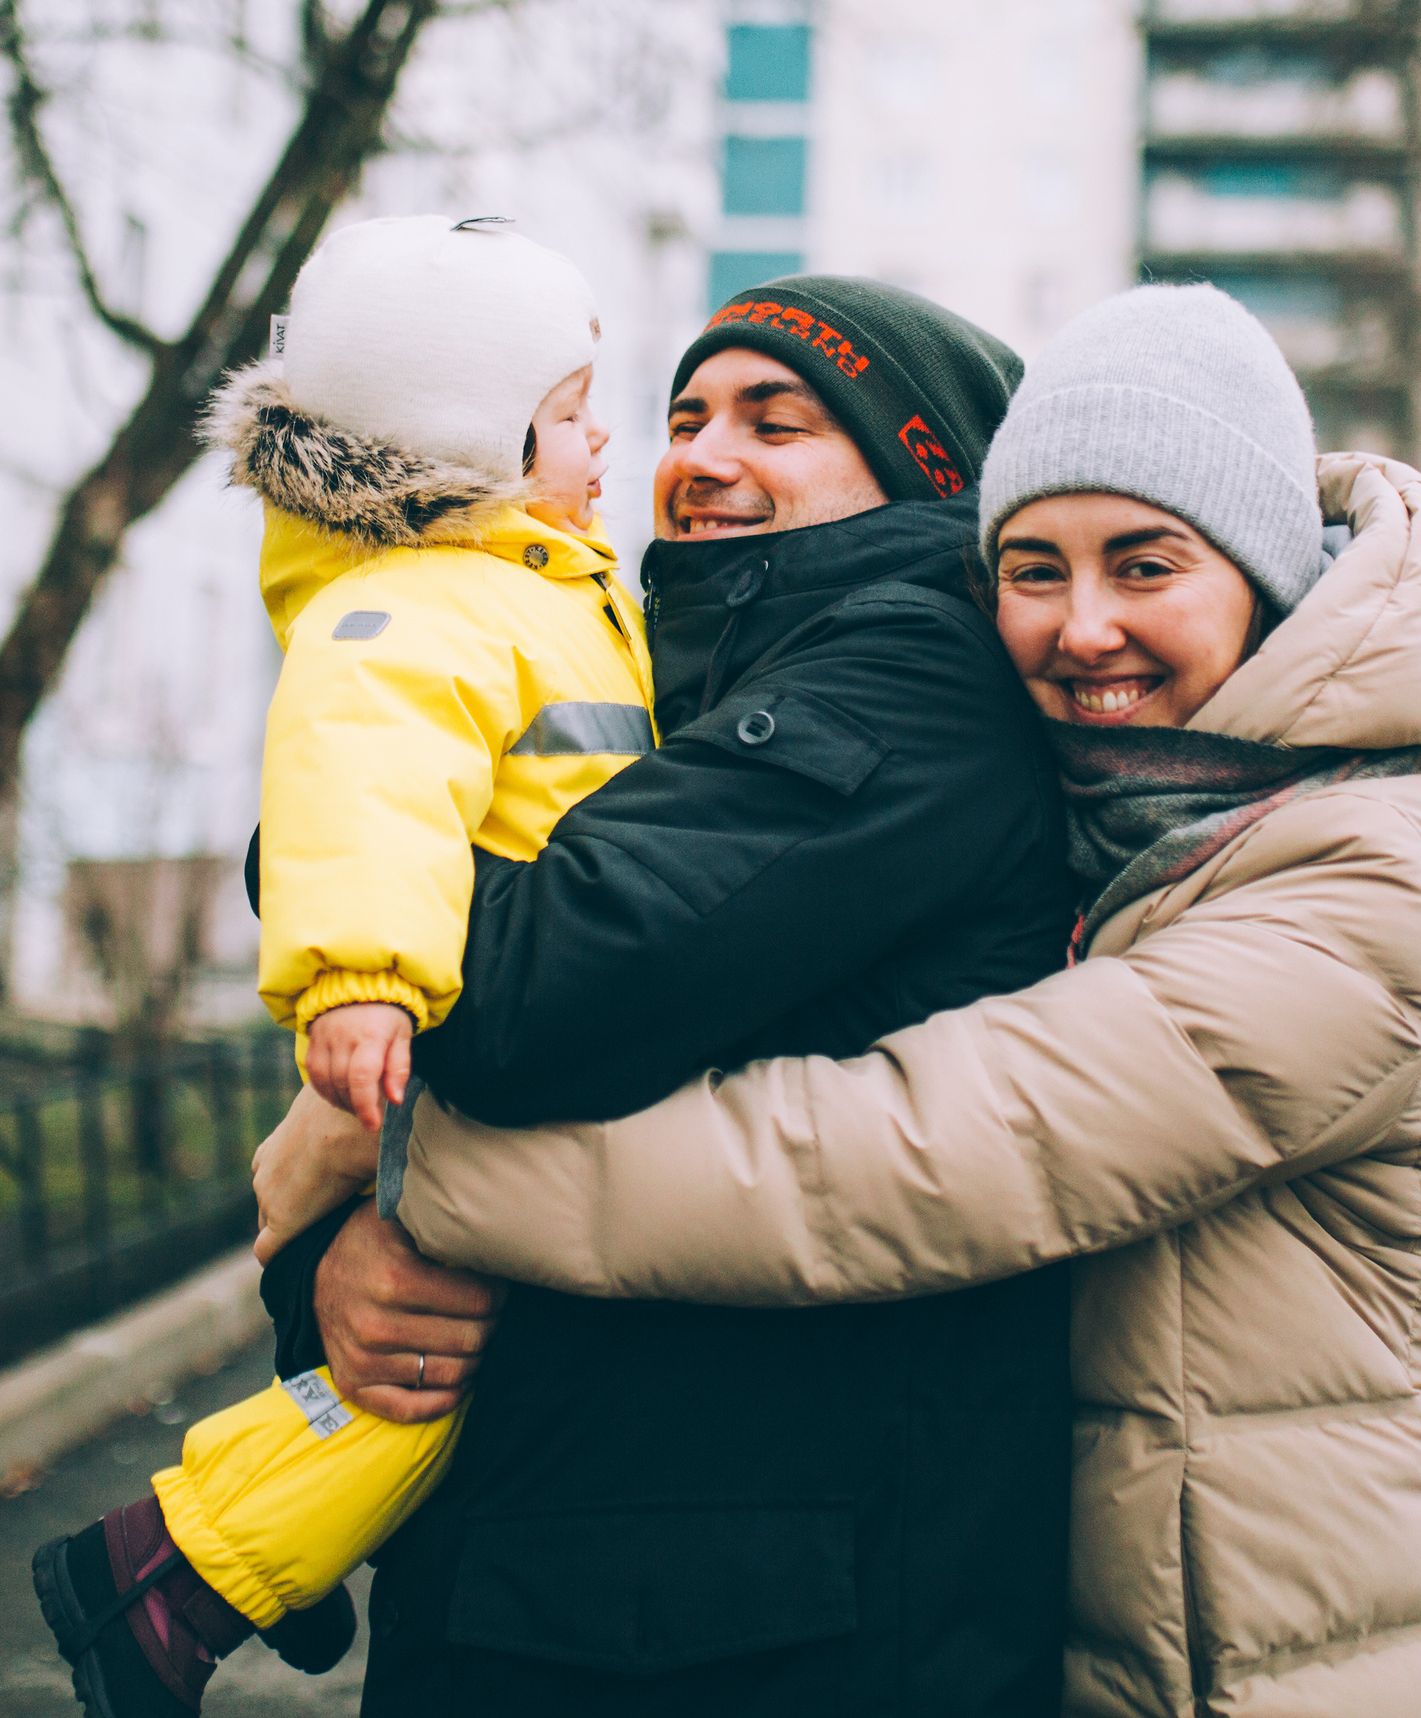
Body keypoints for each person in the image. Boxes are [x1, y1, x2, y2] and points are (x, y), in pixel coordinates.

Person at [277, 284, 1421, 1716]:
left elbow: (915, 1157)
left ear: (1257, 571)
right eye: (1037, 570)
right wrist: (323, 1236)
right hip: (1091, 1611)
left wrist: (412, 1174)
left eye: (1145, 565)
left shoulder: (1343, 887)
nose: (1080, 628)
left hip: (1266, 1653)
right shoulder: (1109, 812)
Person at [252, 275, 1082, 1715]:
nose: (699, 457)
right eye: (684, 414)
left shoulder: (912, 676)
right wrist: (321, 1270)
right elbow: (453, 1086)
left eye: (777, 420)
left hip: (765, 1628)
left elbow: (519, 1006)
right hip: (598, 1586)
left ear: (921, 466)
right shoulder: (663, 693)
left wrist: (319, 829)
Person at [31, 214, 649, 1718]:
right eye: (571, 413)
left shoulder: (537, 583)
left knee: (434, 1368)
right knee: (439, 1369)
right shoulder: (423, 603)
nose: (605, 435)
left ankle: (231, 1554)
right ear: (475, 436)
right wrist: (360, 974)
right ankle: (190, 1568)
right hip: (462, 1037)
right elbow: (356, 779)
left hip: (530, 1031)